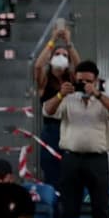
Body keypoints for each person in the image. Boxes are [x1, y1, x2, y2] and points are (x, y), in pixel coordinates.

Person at [43, 60, 109, 218]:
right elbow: (47, 111)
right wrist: (60, 94)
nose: (83, 85)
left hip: (97, 160)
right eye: (79, 81)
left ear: (96, 80)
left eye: (87, 81)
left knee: (102, 213)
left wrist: (96, 94)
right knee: (69, 211)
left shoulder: (102, 100)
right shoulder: (68, 99)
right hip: (72, 160)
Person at [32, 26, 81, 189]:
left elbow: (80, 68)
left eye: (64, 56)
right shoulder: (45, 80)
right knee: (52, 173)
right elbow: (38, 66)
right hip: (52, 129)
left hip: (70, 126)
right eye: (57, 55)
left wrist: (69, 43)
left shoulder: (72, 78)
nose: (61, 57)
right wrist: (52, 41)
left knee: (71, 174)